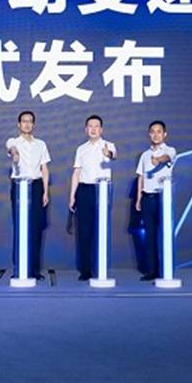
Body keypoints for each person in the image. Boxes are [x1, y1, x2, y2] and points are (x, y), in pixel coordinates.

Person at [69, 115, 117, 281]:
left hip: (102, 190)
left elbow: (113, 155)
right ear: (86, 129)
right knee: (84, 231)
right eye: (90, 126)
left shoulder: (109, 145)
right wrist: (72, 196)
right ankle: (86, 270)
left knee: (101, 230)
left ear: (101, 129)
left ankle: (101, 268)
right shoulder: (81, 149)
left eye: (96, 126)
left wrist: (107, 153)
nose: (93, 129)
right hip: (84, 190)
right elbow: (77, 172)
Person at [5, 110, 51, 280]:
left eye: (30, 121)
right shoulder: (13, 141)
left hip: (37, 186)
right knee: (20, 227)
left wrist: (45, 191)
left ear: (33, 124)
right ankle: (19, 268)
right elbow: (11, 149)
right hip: (19, 186)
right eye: (24, 121)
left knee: (35, 228)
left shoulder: (41, 144)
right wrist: (15, 155)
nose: (27, 124)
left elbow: (44, 169)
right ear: (19, 124)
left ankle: (33, 270)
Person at [135, 121, 177, 281]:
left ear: (164, 134)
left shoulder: (170, 150)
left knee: (164, 234)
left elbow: (166, 158)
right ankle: (152, 271)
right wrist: (139, 198)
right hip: (148, 198)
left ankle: (166, 269)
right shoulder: (145, 155)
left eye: (159, 131)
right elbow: (141, 177)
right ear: (149, 134)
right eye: (153, 131)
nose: (156, 134)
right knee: (150, 235)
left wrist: (158, 160)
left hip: (163, 198)